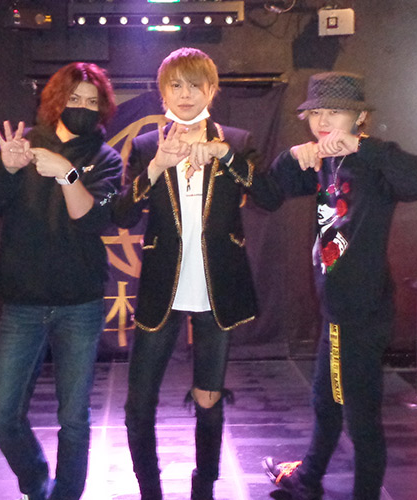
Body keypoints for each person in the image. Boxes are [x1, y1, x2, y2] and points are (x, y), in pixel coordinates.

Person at [111, 47, 283, 500]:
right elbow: (122, 215)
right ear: (163, 92)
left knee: (209, 398)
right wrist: (156, 167)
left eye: (194, 85)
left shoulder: (237, 140)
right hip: (161, 288)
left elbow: (269, 197)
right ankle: (149, 490)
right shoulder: (146, 146)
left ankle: (203, 487)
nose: (185, 94)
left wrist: (226, 156)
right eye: (176, 85)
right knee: (138, 404)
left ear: (211, 90)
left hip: (216, 288)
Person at [262, 72, 417, 500]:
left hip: (359, 313)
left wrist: (362, 146)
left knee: (361, 419)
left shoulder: (373, 162)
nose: (322, 121)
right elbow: (268, 193)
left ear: (359, 117)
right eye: (315, 113)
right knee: (326, 401)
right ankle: (308, 478)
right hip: (338, 309)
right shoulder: (324, 162)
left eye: (334, 112)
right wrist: (292, 155)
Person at [0, 62, 122, 500]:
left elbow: (92, 218)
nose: (82, 108)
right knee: (2, 414)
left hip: (80, 303)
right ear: (55, 101)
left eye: (91, 102)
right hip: (23, 302)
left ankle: (67, 495)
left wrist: (67, 173)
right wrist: (7, 168)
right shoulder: (23, 145)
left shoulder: (105, 158)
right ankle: (37, 482)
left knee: (73, 417)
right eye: (74, 99)